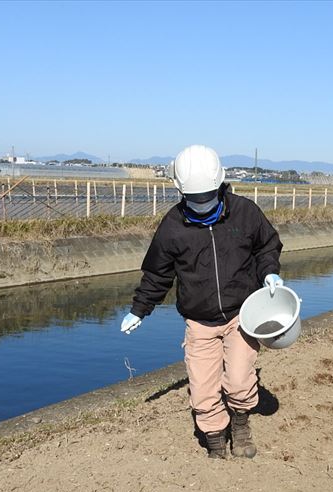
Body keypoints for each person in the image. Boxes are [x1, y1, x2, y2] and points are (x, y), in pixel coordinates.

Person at [120, 144, 284, 460]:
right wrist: (139, 309)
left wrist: (269, 274)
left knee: (238, 381)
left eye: (206, 195)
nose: (201, 202)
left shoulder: (245, 212)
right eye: (193, 198)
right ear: (181, 192)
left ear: (220, 185)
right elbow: (158, 274)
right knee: (203, 390)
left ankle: (240, 424)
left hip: (242, 316)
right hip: (199, 322)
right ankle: (215, 439)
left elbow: (267, 247)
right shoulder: (172, 227)